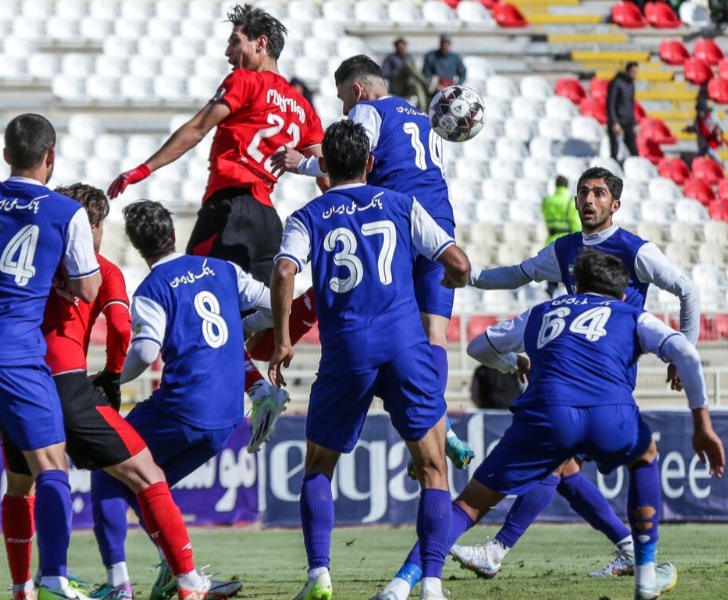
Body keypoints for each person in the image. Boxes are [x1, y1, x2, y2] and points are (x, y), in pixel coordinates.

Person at [379, 250, 725, 600]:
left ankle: (404, 582)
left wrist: (516, 362)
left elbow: (478, 346)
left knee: (467, 506)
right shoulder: (632, 313)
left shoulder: (542, 312)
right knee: (645, 454)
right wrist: (702, 423)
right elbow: (686, 353)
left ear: (575, 287)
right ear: (621, 295)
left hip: (546, 415)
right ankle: (646, 574)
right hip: (608, 411)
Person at [448, 166, 702, 579]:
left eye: (599, 193)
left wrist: (681, 352)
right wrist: (471, 276)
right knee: (564, 470)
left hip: (606, 378)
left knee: (555, 464)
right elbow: (519, 274)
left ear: (615, 204)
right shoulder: (565, 248)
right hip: (571, 375)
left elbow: (687, 289)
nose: (588, 200)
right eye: (583, 192)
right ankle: (629, 551)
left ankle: (496, 550)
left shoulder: (635, 249)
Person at [268, 119, 471, 600]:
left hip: (348, 350)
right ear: (371, 163)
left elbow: (283, 270)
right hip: (405, 346)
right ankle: (433, 585)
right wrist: (453, 283)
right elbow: (457, 264)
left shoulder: (308, 215)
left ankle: (319, 575)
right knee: (433, 469)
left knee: (319, 466)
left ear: (327, 166)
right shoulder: (402, 204)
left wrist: (281, 340)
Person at [107, 3, 326, 441]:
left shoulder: (246, 80)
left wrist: (143, 169)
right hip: (268, 220)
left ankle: (237, 393)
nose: (229, 52)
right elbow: (326, 174)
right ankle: (293, 334)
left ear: (260, 45)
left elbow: (196, 128)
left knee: (192, 302)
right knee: (245, 320)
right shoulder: (304, 108)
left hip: (229, 210)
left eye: (235, 41)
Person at [0, 184, 218, 600]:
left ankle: (24, 588)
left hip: (15, 382)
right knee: (147, 473)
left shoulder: (32, 257)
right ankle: (187, 582)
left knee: (21, 487)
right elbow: (121, 327)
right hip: (66, 383)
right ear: (92, 226)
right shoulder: (101, 268)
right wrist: (112, 375)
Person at [270, 54, 477, 477]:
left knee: (389, 323)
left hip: (396, 222)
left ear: (358, 90)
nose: (345, 110)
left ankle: (436, 424)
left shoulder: (367, 110)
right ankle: (441, 429)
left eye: (344, 100)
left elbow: (351, 155)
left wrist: (301, 164)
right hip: (439, 222)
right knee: (434, 334)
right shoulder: (424, 117)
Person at [89, 200, 271, 600]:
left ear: (137, 246)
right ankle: (181, 575)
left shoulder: (153, 287)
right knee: (148, 487)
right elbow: (274, 304)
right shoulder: (223, 269)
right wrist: (244, 329)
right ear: (173, 234)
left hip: (184, 406)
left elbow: (143, 351)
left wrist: (109, 377)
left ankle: (121, 585)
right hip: (227, 417)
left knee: (109, 469)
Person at [0, 114, 102, 599]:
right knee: (50, 466)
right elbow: (88, 288)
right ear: (51, 157)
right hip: (13, 351)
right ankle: (52, 581)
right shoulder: (65, 212)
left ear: (6, 154)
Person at [541, 175, 581, 296]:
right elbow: (576, 224)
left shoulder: (547, 201)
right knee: (570, 278)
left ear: (556, 185)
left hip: (550, 241)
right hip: (567, 244)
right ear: (566, 185)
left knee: (551, 279)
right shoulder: (570, 201)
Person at [381, 38, 431, 110]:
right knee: (407, 65)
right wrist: (397, 72)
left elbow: (415, 72)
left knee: (417, 84)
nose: (402, 48)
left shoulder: (409, 57)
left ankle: (422, 109)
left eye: (403, 47)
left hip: (408, 85)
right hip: (397, 86)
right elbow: (384, 73)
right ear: (396, 47)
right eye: (400, 47)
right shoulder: (390, 58)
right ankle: (426, 82)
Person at [606, 62, 639, 163]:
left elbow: (631, 104)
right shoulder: (616, 83)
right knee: (615, 152)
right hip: (617, 121)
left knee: (634, 151)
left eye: (636, 72)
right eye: (632, 71)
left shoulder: (631, 84)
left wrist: (634, 123)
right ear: (627, 71)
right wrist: (614, 122)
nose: (634, 74)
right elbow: (610, 104)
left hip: (628, 121)